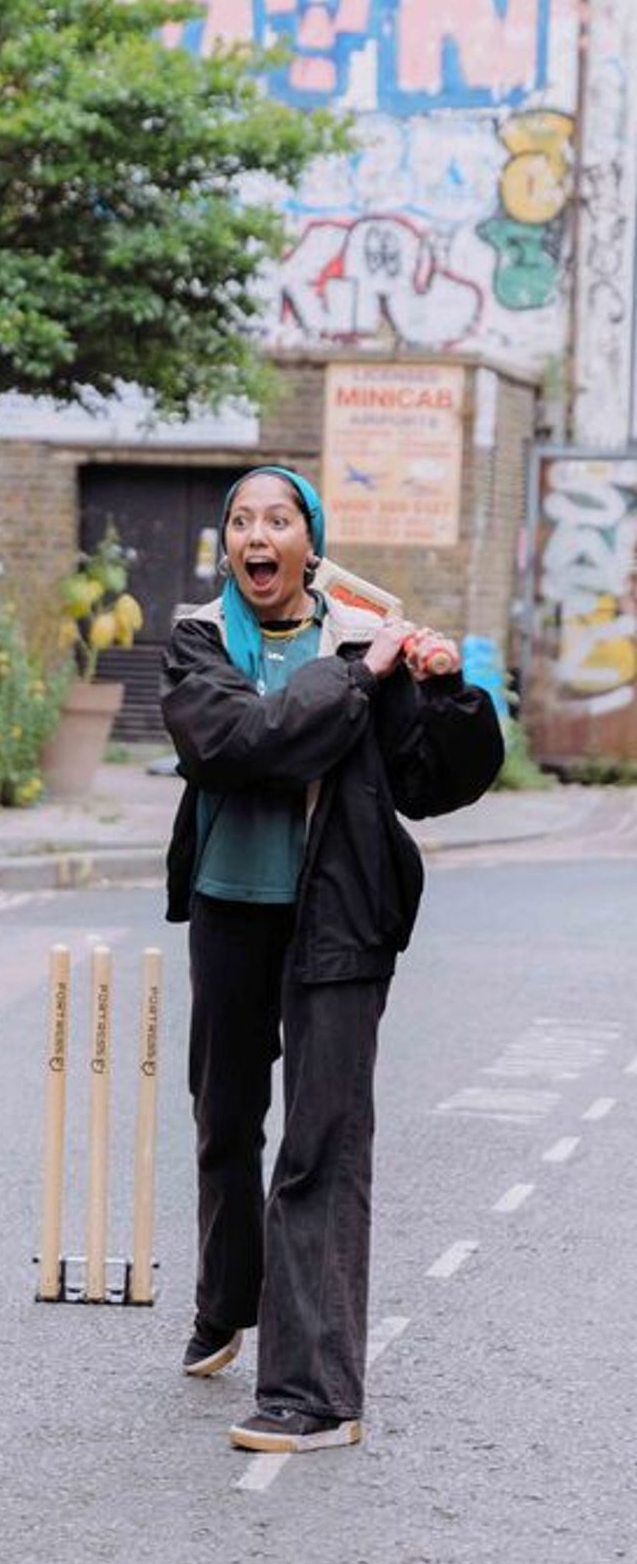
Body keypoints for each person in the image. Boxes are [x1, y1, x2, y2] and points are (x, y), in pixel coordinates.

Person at [159, 466, 502, 1453]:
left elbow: (428, 786)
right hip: (230, 907)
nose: (254, 536)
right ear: (224, 545)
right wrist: (354, 679)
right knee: (224, 1119)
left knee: (319, 1145)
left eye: (276, 520)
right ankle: (228, 1300)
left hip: (339, 918)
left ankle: (314, 1395)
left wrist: (443, 693)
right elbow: (239, 743)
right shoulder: (196, 640)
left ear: (308, 542)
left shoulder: (366, 640)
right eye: (238, 521)